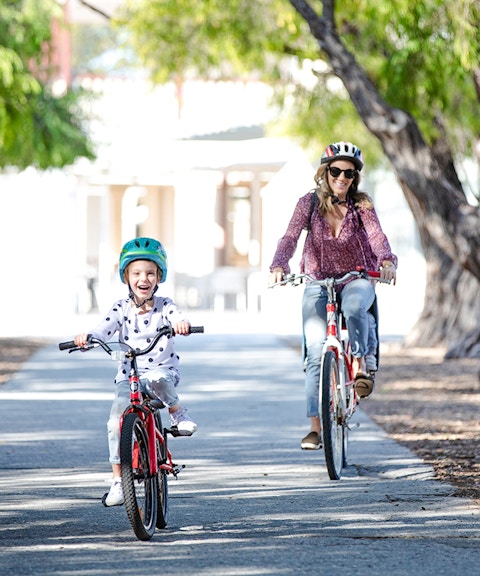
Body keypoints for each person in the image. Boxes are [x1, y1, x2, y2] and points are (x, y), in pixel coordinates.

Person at [269, 141, 397, 451]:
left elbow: (377, 237)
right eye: (336, 171)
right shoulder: (308, 204)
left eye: (349, 173)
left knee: (355, 308)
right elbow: (289, 236)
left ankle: (365, 367)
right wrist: (278, 264)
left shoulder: (361, 205)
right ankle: (315, 427)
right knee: (315, 353)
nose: (342, 178)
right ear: (324, 173)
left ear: (356, 178)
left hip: (357, 275)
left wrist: (387, 260)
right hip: (317, 279)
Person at [73, 237, 197, 506]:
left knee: (157, 378)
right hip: (129, 376)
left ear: (159, 277)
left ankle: (178, 414)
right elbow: (102, 330)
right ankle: (118, 481)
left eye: (151, 273)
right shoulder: (120, 308)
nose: (144, 279)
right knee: (114, 422)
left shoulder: (165, 305)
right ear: (126, 277)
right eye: (137, 273)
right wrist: (87, 338)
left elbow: (176, 316)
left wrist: (181, 324)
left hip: (161, 371)